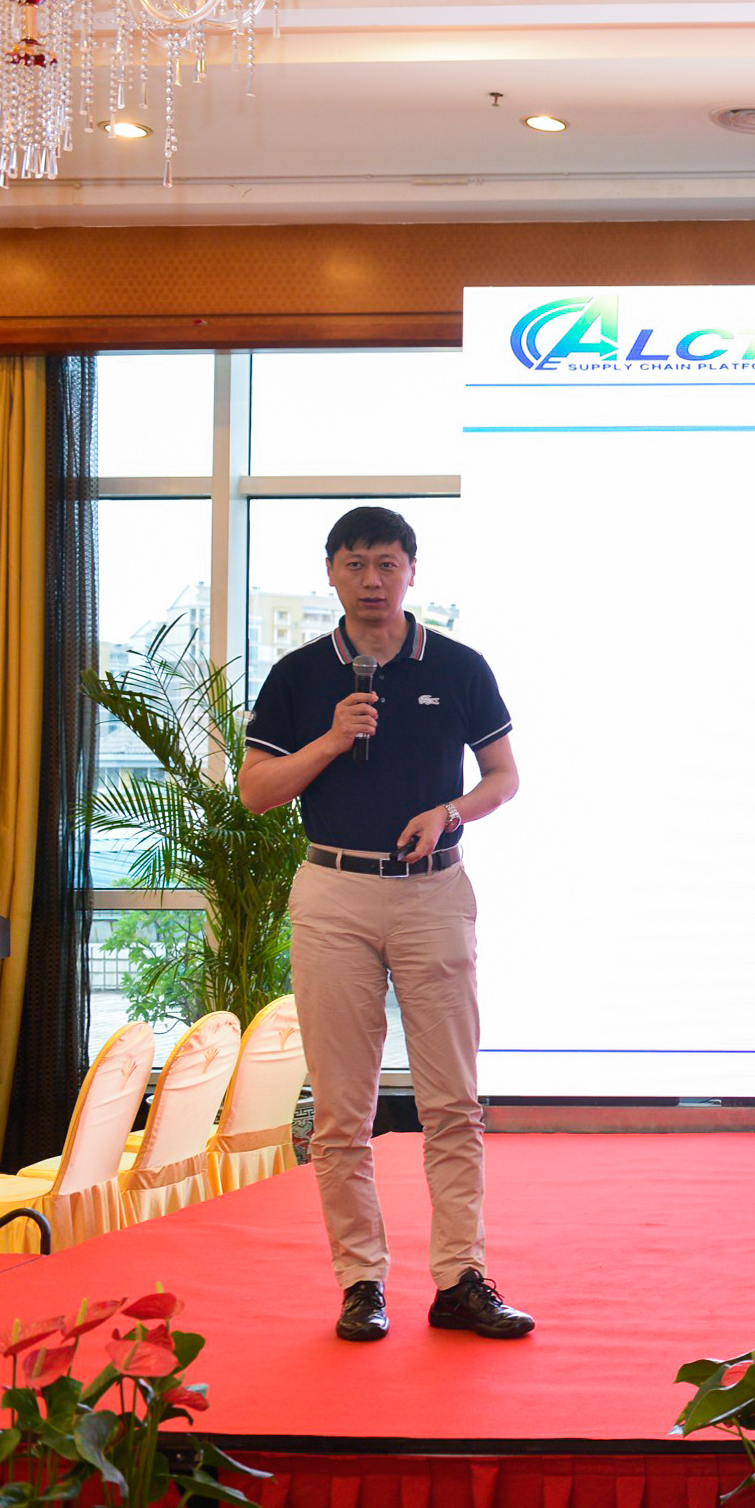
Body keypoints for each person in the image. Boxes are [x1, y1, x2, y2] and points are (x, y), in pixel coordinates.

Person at [238, 506, 533, 1343]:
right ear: (332, 571)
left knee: (454, 1102)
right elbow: (256, 791)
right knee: (342, 1110)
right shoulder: (298, 675)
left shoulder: (460, 665)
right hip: (333, 894)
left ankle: (461, 1278)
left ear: (411, 571)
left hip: (433, 892)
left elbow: (504, 776)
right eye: (356, 563)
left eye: (387, 563)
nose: (372, 579)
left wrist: (451, 810)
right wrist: (331, 739)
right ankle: (360, 1282)